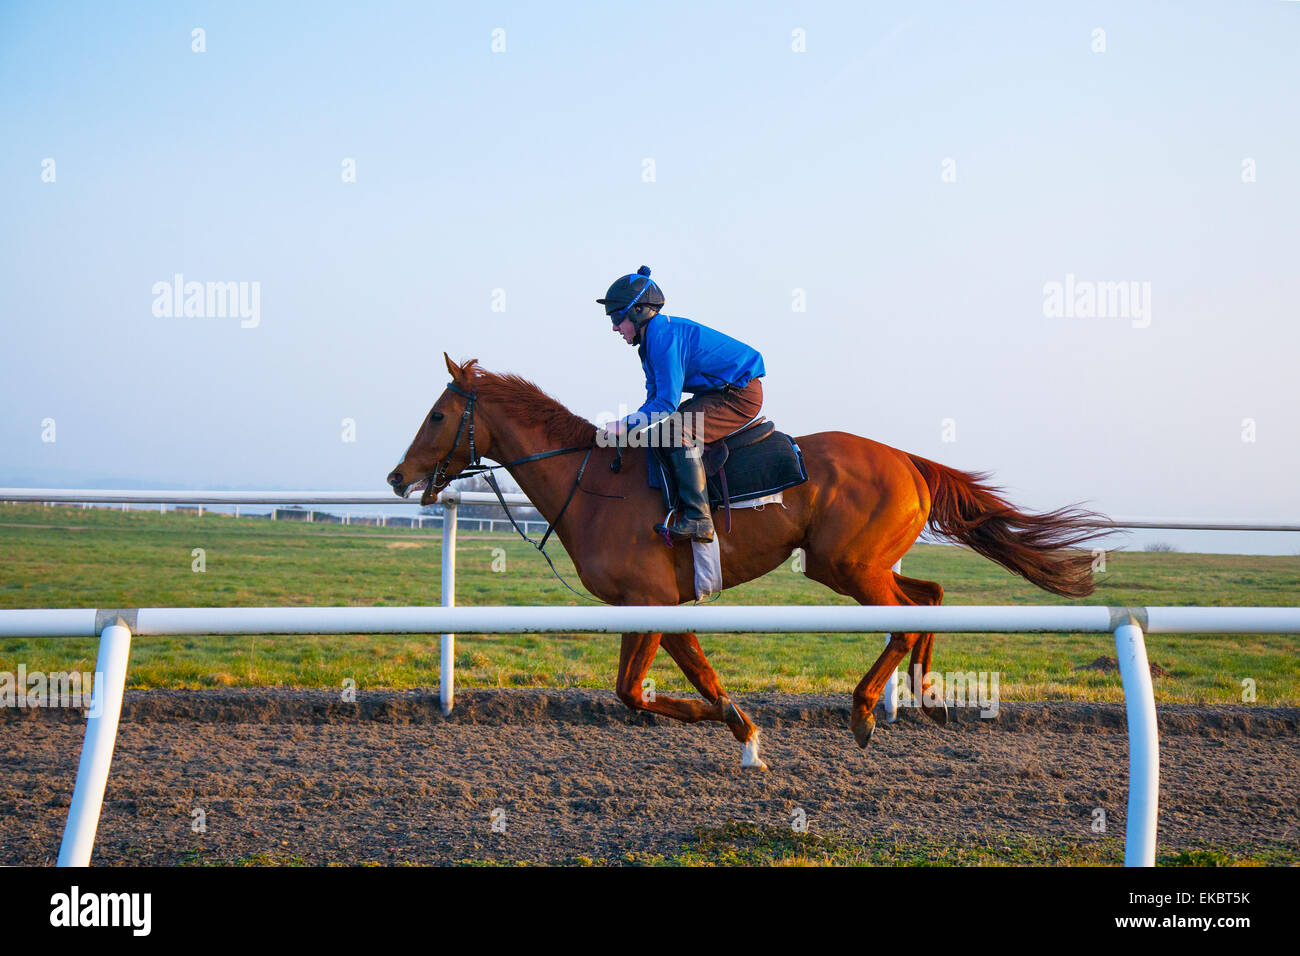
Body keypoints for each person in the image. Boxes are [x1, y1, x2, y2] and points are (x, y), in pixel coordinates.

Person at [598, 266, 766, 542]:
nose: (615, 327)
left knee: (676, 432)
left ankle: (699, 518)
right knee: (658, 433)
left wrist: (626, 424)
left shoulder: (663, 339)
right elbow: (654, 398)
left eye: (617, 317)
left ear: (639, 311)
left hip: (740, 394)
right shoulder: (650, 342)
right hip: (719, 392)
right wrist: (632, 426)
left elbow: (665, 403)